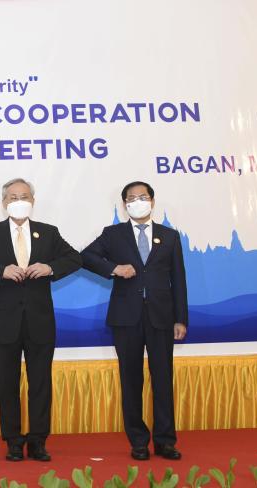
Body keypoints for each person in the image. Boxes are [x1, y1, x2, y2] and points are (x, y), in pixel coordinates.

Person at [0, 178, 81, 462]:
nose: (19, 200)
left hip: (40, 321)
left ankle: (38, 440)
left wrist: (50, 267)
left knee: (40, 383)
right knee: (7, 383)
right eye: (13, 196)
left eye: (24, 195)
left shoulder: (48, 232)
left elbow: (74, 259)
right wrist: (0, 270)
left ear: (33, 200)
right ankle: (13, 441)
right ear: (4, 202)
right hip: (5, 323)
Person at [80, 181, 187, 461]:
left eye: (142, 196)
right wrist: (113, 268)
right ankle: (138, 441)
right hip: (125, 318)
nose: (137, 201)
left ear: (152, 200)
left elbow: (179, 280)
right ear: (123, 204)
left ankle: (165, 441)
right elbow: (86, 257)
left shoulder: (170, 236)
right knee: (131, 380)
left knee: (163, 378)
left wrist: (181, 319)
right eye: (131, 198)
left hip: (162, 318)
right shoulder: (113, 234)